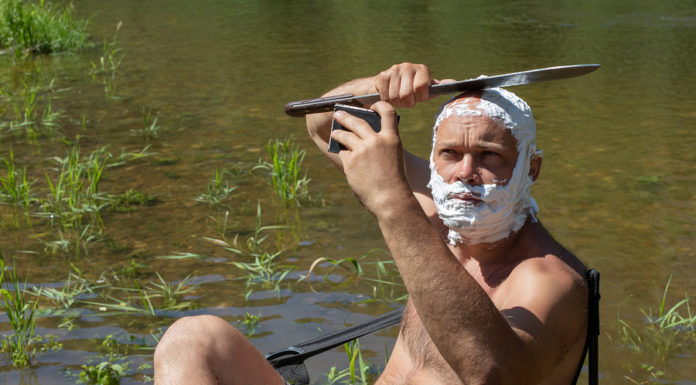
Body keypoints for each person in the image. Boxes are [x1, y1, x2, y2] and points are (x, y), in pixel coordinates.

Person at [153, 63, 588, 385]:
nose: (465, 172)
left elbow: (491, 374)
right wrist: (380, 87)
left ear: (531, 168)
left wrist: (391, 202)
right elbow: (323, 125)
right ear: (436, 163)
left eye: (491, 156)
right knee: (192, 339)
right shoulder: (441, 205)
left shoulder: (549, 280)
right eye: (450, 154)